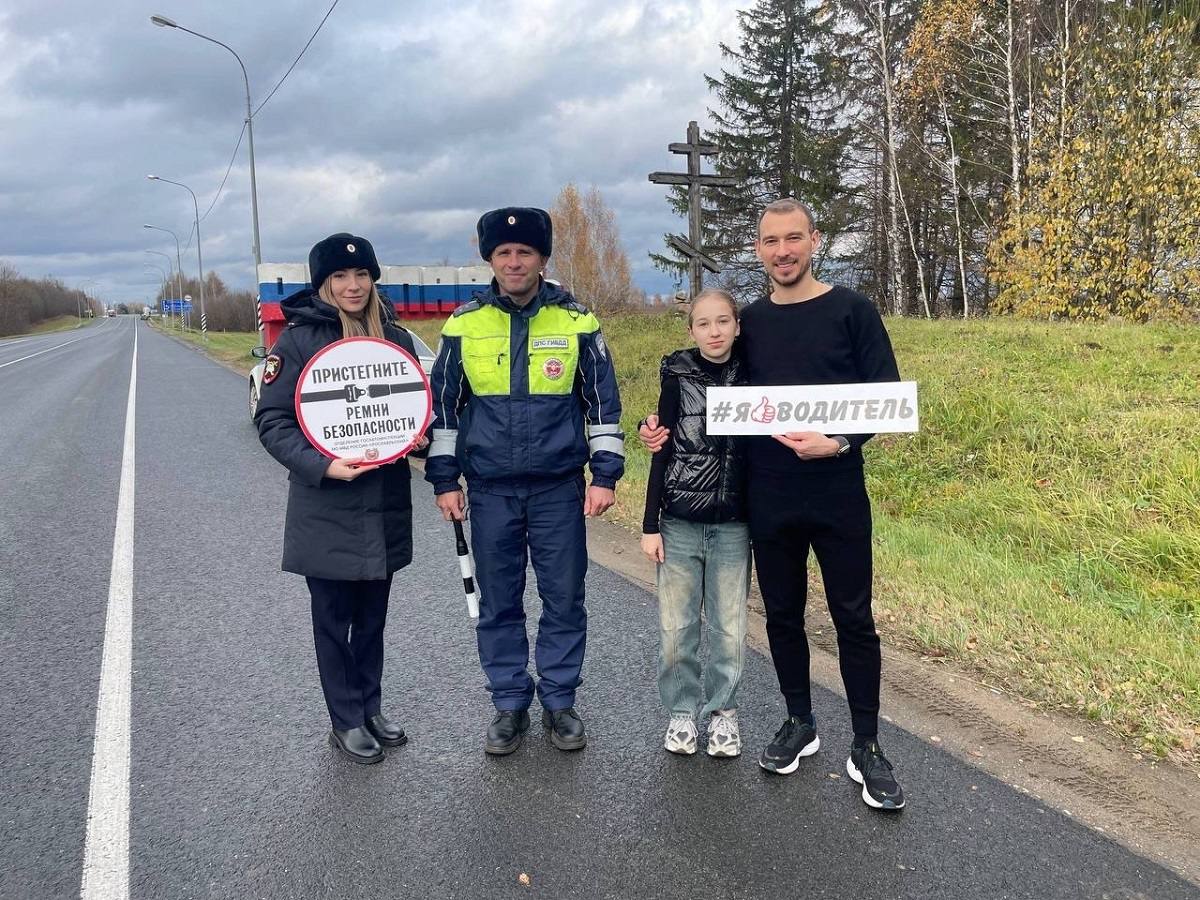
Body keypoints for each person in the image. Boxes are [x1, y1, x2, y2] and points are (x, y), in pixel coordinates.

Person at [639, 199, 905, 810]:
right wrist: (655, 427)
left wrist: (838, 442)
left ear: (815, 239)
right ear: (758, 249)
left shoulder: (853, 311)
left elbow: (886, 399)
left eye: (793, 239)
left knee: (852, 618)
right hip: (767, 497)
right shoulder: (748, 323)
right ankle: (799, 722)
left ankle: (867, 745)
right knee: (782, 615)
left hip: (837, 492)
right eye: (770, 241)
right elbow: (700, 389)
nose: (782, 251)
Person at [425, 207, 624, 756]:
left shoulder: (578, 321)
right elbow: (443, 411)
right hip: (489, 491)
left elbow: (603, 406)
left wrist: (604, 475)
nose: (514, 262)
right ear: (489, 258)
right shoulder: (462, 325)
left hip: (559, 489)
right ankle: (509, 703)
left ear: (542, 259)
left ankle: (560, 700)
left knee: (564, 598)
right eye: (503, 253)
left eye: (526, 253)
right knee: (499, 602)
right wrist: (445, 480)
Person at [255, 233, 426, 765]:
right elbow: (272, 420)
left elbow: (416, 405)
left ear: (373, 279)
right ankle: (344, 718)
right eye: (340, 278)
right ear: (324, 284)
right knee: (333, 620)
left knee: (373, 618)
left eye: (361, 276)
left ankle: (370, 706)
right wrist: (323, 464)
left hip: (383, 504)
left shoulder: (395, 338)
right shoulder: (297, 342)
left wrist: (415, 437)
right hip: (326, 505)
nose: (353, 286)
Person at [639, 289, 750, 758]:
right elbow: (660, 446)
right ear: (691, 330)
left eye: (723, 321)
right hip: (679, 522)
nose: (714, 332)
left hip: (734, 523)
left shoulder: (755, 373)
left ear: (737, 326)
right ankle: (682, 713)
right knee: (677, 626)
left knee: (730, 627)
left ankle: (723, 714)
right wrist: (649, 524)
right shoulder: (677, 375)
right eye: (703, 323)